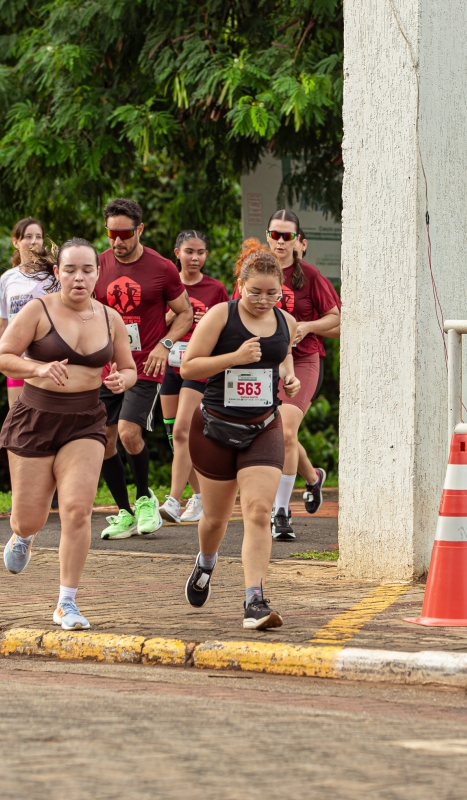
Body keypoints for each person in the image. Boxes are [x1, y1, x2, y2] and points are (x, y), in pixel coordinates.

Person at [0, 240, 137, 630]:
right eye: (70, 270)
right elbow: (3, 357)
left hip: (85, 420)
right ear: (57, 272)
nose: (79, 278)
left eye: (87, 270)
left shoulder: (110, 318)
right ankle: (23, 536)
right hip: (36, 418)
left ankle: (66, 603)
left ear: (97, 274)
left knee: (77, 510)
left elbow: (129, 368)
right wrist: (37, 369)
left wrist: (122, 380)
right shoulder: (38, 310)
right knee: (30, 518)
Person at [180, 240, 301, 629]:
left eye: (272, 293)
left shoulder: (286, 322)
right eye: (255, 292)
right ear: (240, 286)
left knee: (258, 511)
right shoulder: (221, 315)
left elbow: (283, 354)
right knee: (215, 520)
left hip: (264, 426)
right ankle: (206, 562)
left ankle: (254, 600)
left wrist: (289, 376)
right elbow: (188, 367)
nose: (264, 300)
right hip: (215, 427)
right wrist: (235, 358)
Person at [95, 199, 194, 540]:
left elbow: (185, 313)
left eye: (125, 234)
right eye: (111, 234)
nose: (117, 241)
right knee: (104, 439)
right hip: (108, 367)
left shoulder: (162, 267)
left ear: (140, 230)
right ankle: (124, 511)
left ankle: (144, 499)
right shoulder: (97, 265)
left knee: (128, 433)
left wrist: (164, 345)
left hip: (145, 366)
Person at [259, 210, 341, 539]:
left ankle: (280, 512)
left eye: (287, 236)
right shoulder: (256, 271)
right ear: (267, 236)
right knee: (275, 431)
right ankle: (313, 477)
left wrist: (307, 326)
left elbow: (337, 318)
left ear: (297, 240)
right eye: (275, 235)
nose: (280, 241)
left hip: (304, 361)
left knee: (286, 430)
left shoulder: (309, 275)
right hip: (264, 363)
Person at [158, 230, 229, 524]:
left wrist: (206, 323)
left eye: (200, 252)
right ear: (177, 253)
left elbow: (228, 327)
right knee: (174, 435)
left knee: (182, 430)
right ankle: (199, 496)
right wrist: (176, 317)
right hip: (168, 365)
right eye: (189, 251)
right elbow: (153, 326)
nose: (195, 257)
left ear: (206, 255)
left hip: (198, 365)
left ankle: (174, 500)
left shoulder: (216, 289)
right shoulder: (166, 286)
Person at [0, 217, 49, 407]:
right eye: (28, 237)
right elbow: (3, 324)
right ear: (16, 242)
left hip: (46, 362)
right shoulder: (7, 278)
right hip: (16, 362)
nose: (34, 241)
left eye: (38, 237)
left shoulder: (54, 277)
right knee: (18, 419)